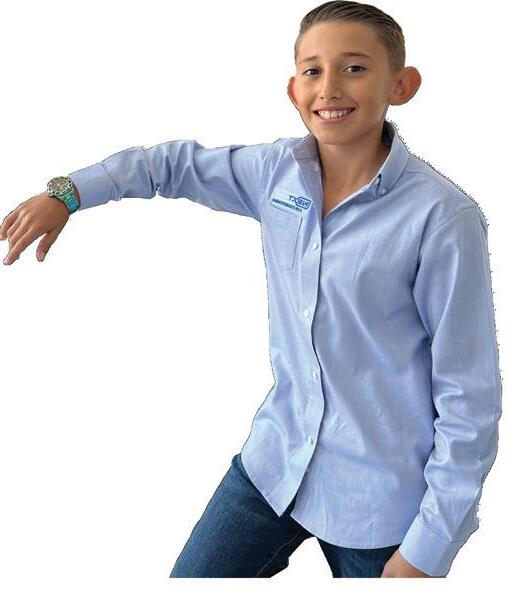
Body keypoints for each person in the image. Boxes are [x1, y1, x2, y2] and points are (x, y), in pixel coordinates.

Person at [0, 1, 502, 579]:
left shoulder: (443, 218)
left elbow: (469, 395)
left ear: (402, 85)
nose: (329, 87)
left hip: (382, 503)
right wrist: (66, 194)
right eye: (312, 70)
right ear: (293, 90)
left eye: (355, 68)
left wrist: (430, 546)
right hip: (276, 463)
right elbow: (167, 166)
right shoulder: (274, 173)